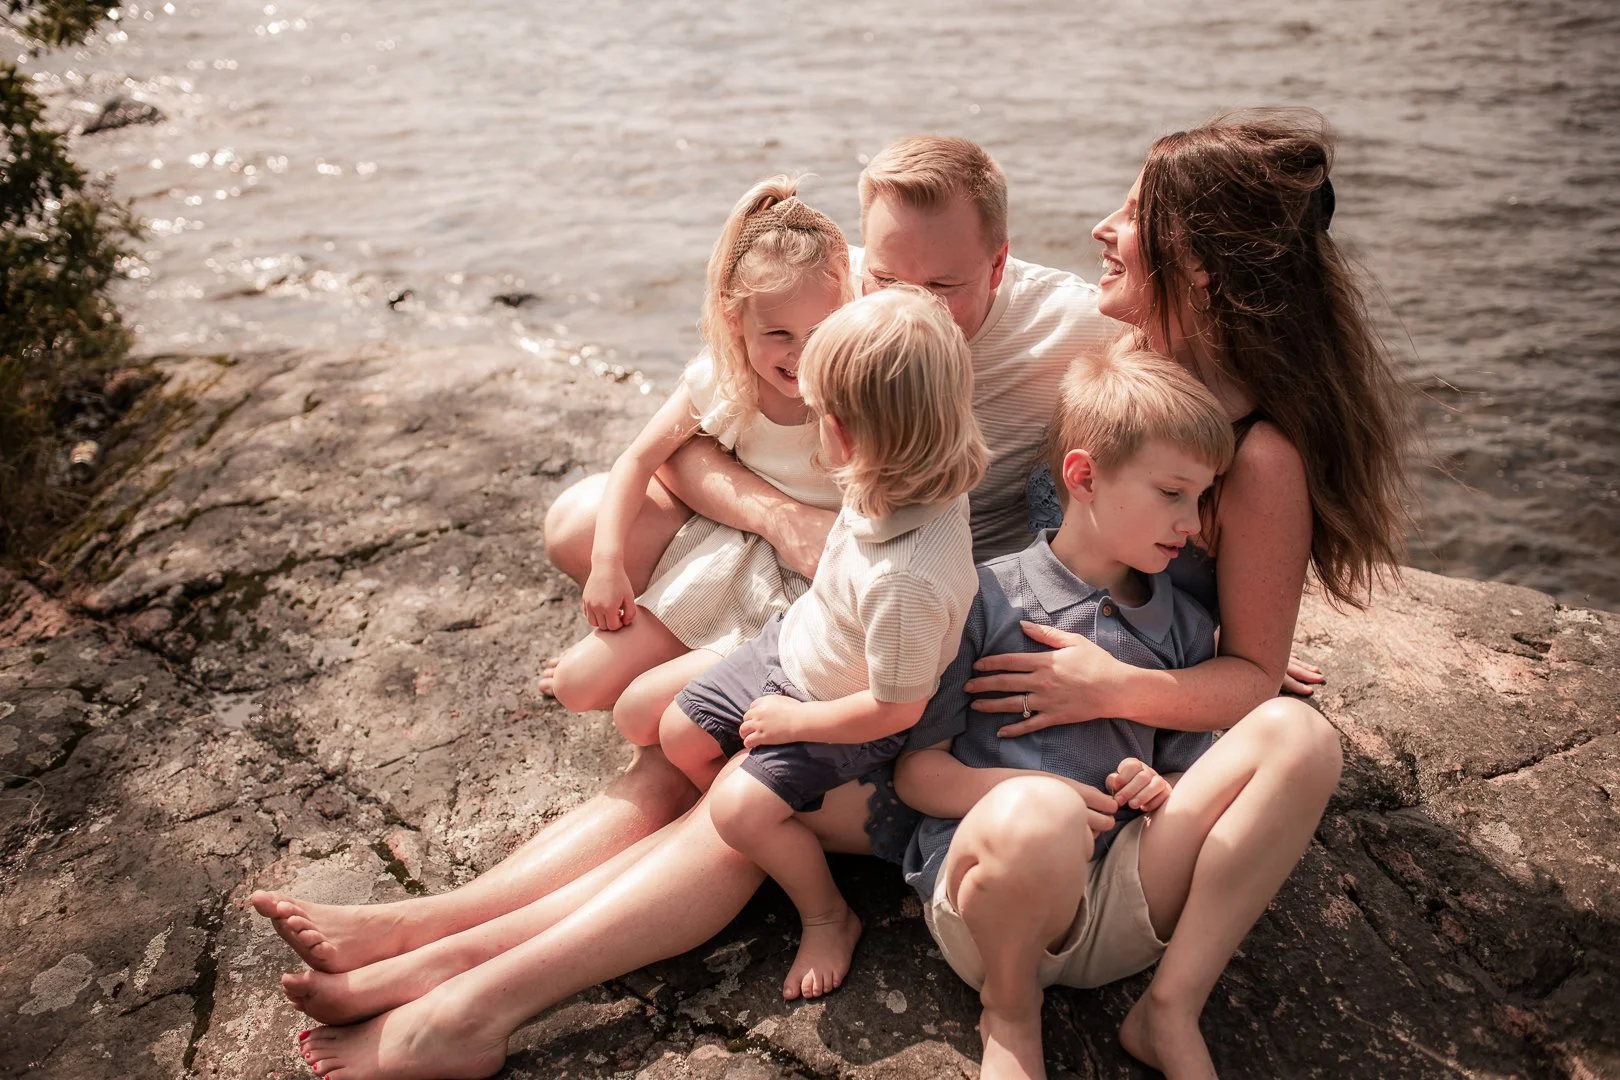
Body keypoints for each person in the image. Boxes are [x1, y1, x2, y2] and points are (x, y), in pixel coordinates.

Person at [263, 114, 1404, 1080]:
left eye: (1131, 218)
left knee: (742, 788)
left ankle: (475, 997)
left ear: (1197, 267)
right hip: (944, 640)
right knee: (696, 755)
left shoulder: (1221, 433)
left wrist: (1173, 674)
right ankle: (437, 940)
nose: (1102, 229)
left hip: (1027, 725)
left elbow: (1248, 673)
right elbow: (732, 404)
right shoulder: (1098, 349)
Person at [893, 345, 1237, 1079]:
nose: (1194, 522)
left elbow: (1185, 774)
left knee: (1301, 739)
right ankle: (1011, 1015)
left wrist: (1158, 788)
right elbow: (918, 774)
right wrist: (1034, 797)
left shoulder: (1180, 626)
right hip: (994, 909)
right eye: (1173, 493)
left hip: (1117, 907)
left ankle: (1170, 1008)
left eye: (1203, 497)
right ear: (1082, 477)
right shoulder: (987, 596)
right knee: (1039, 818)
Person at [663, 285, 986, 1000]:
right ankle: (762, 845)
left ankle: (826, 911)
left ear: (840, 436)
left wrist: (797, 723)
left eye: (815, 415)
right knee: (677, 731)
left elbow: (896, 709)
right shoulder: (902, 468)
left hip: (841, 708)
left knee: (737, 809)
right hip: (796, 646)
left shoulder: (908, 577)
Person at [540, 177, 851, 747]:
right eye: (777, 333)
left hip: (804, 586)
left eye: (820, 331)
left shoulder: (852, 385)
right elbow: (637, 460)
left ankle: (704, 682)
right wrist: (607, 566)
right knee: (577, 688)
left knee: (642, 718)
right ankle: (673, 652)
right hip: (730, 556)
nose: (801, 353)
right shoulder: (725, 381)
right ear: (735, 319)